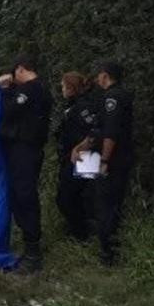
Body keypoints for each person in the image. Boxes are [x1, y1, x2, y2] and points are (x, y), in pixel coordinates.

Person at [0, 55, 53, 273]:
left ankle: (33, 252)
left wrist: (5, 89)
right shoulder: (40, 90)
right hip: (26, 149)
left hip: (25, 150)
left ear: (21, 70)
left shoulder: (30, 90)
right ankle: (30, 247)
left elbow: (10, 110)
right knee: (20, 195)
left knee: (24, 195)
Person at [78, 61, 134, 267]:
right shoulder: (111, 97)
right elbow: (98, 130)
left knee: (107, 205)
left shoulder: (113, 97)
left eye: (99, 75)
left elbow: (110, 133)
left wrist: (104, 160)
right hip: (111, 159)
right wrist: (81, 147)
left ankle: (109, 254)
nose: (97, 79)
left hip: (114, 161)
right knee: (101, 202)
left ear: (105, 76)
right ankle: (107, 249)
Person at [54, 72, 98, 242]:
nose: (62, 89)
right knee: (75, 197)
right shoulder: (72, 106)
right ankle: (80, 231)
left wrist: (81, 147)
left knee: (69, 197)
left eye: (64, 86)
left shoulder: (83, 106)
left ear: (72, 88)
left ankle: (82, 234)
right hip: (74, 156)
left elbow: (94, 130)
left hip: (85, 157)